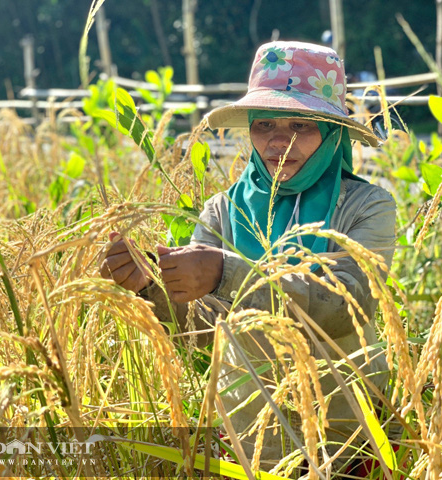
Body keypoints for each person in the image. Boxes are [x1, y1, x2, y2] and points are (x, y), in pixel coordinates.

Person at [100, 41, 396, 470]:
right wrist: (150, 285)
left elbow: (349, 305)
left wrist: (228, 272)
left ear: (332, 133)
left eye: (301, 125)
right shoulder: (223, 211)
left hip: (343, 428)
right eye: (265, 125)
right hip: (249, 429)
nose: (279, 140)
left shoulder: (365, 206)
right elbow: (202, 330)